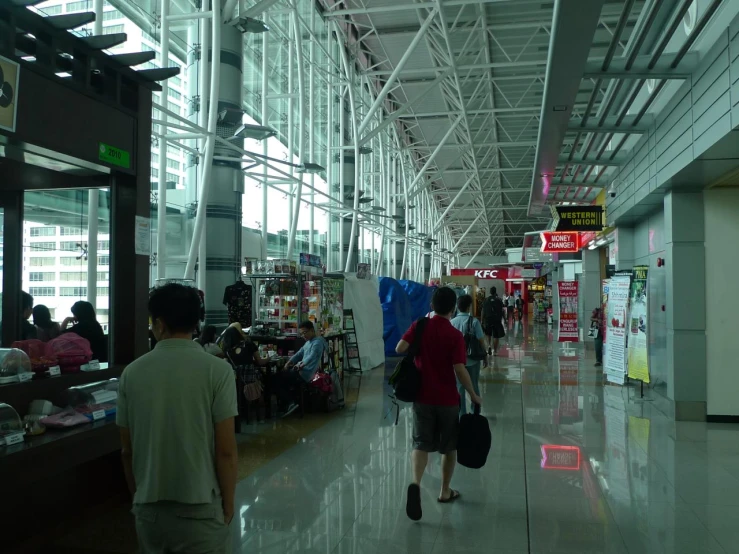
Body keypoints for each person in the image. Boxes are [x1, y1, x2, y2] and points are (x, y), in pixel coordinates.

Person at [117, 284, 238, 554]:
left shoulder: (132, 374)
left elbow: (127, 450)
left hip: (149, 511)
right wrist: (228, 505)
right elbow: (226, 452)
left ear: (159, 323)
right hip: (201, 510)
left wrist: (140, 497)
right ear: (196, 323)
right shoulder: (217, 371)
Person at [396, 286, 482, 521]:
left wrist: (419, 349)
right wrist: (473, 393)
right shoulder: (455, 335)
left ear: (432, 306)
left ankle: (415, 483)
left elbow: (399, 348)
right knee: (448, 446)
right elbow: (459, 369)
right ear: (453, 308)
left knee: (421, 443)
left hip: (422, 397)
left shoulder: (420, 326)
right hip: (447, 399)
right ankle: (445, 490)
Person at [275, 321, 326, 417]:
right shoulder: (308, 343)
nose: (303, 335)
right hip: (300, 371)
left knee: (277, 379)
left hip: (305, 374)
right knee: (279, 376)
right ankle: (287, 402)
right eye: (301, 333)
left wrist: (301, 364)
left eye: (305, 332)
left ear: (312, 330)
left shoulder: (317, 343)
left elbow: (311, 356)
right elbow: (299, 353)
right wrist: (289, 362)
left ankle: (291, 402)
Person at [451, 294, 487, 414]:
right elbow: (481, 340)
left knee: (459, 387)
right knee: (474, 385)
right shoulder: (474, 321)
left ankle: (462, 414)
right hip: (472, 360)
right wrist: (485, 355)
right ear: (469, 307)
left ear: (457, 306)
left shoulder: (452, 322)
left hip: (457, 362)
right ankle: (475, 411)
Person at [481, 287, 506, 355]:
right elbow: (502, 310)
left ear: (490, 292)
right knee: (496, 336)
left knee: (488, 334)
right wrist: (505, 319)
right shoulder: (499, 300)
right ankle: (495, 351)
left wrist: (482, 320)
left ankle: (489, 346)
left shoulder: (486, 300)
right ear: (495, 292)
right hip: (497, 320)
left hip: (488, 319)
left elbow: (483, 311)